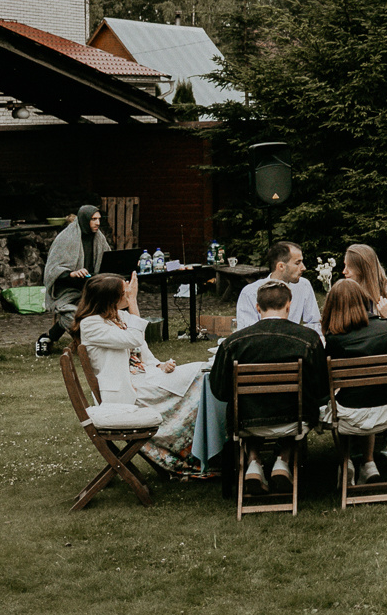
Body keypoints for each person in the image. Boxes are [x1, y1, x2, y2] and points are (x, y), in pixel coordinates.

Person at [71, 272, 208, 472]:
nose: (128, 293)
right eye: (124, 292)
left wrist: (159, 365)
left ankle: (204, 449)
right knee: (202, 379)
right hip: (128, 390)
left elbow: (140, 348)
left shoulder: (120, 316)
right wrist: (133, 301)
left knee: (205, 371)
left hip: (145, 377)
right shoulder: (91, 324)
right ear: (110, 299)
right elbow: (133, 339)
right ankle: (195, 453)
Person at [209, 281, 328, 495]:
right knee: (292, 405)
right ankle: (283, 460)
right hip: (294, 419)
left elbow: (219, 390)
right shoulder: (308, 339)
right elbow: (321, 389)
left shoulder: (233, 343)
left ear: (258, 307)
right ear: (289, 305)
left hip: (246, 421)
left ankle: (253, 462)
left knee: (252, 406)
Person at [321, 278, 387, 485]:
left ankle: (346, 461)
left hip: (349, 414)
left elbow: (325, 383)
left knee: (343, 399)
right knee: (363, 396)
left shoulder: (334, 340)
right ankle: (368, 463)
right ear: (364, 301)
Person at [37, 205, 108, 357]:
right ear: (84, 220)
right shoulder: (66, 238)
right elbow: (52, 270)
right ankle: (92, 345)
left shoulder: (99, 238)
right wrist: (71, 274)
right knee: (73, 316)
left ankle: (49, 337)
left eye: (99, 219)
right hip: (66, 290)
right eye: (93, 219)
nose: (97, 223)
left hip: (90, 289)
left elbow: (107, 260)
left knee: (110, 307)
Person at [234, 242, 323, 334]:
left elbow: (314, 323)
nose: (303, 267)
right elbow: (247, 333)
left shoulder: (304, 285)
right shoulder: (250, 292)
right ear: (281, 266)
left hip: (294, 340)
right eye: (297, 263)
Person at [342, 243, 387, 333]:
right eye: (345, 265)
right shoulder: (346, 292)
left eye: (349, 267)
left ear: (363, 269)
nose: (344, 271)